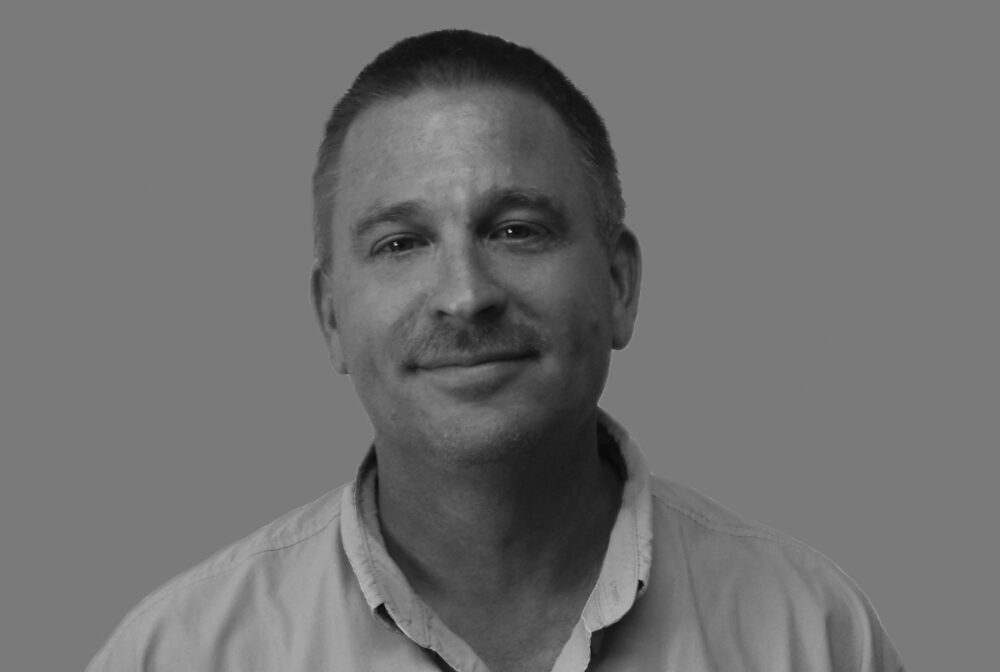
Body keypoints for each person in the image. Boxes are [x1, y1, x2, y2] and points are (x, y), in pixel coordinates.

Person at [87, 29, 904, 672]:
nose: (465, 294)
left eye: (517, 230)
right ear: (330, 317)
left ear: (618, 285)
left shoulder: (815, 635)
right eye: (402, 243)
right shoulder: (179, 654)